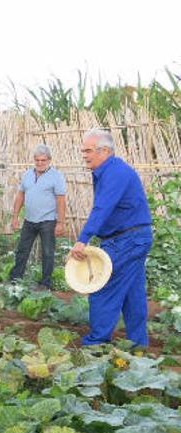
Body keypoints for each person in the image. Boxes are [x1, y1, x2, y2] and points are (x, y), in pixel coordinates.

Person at [71, 129, 153, 347]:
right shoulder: (111, 170)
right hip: (133, 238)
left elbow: (102, 207)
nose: (84, 155)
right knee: (132, 293)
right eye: (83, 151)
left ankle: (96, 343)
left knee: (102, 286)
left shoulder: (115, 172)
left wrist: (83, 238)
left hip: (128, 239)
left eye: (88, 150)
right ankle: (138, 344)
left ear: (104, 150)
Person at [9, 144, 67, 289]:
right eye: (37, 160)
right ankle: (15, 279)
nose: (40, 163)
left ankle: (45, 284)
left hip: (47, 221)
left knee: (47, 253)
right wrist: (15, 216)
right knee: (22, 250)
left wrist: (60, 222)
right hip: (29, 220)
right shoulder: (27, 174)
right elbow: (20, 195)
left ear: (49, 160)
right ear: (34, 160)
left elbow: (61, 200)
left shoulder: (56, 176)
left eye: (43, 160)